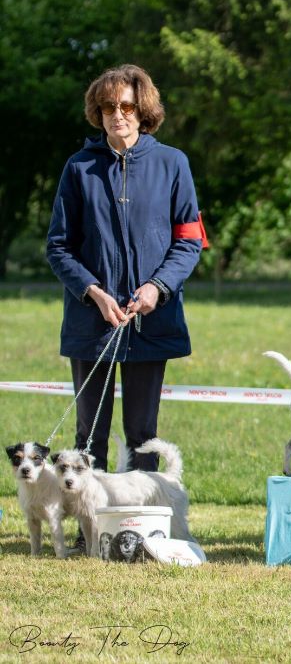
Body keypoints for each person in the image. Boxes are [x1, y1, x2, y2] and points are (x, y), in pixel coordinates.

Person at [46, 64, 205, 474]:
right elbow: (59, 246)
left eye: (127, 106)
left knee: (142, 433)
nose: (118, 115)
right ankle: (89, 530)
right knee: (89, 433)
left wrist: (157, 287)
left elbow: (189, 241)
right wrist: (93, 292)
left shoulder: (174, 164)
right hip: (91, 320)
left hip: (150, 319)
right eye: (107, 107)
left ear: (143, 109)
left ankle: (140, 527)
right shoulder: (78, 168)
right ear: (97, 113)